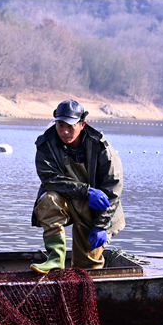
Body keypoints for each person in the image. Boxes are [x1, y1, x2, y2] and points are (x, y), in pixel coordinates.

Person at [30, 99, 124, 273]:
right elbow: (49, 179)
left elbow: (113, 189)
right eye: (60, 125)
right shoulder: (46, 145)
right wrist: (86, 191)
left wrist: (101, 225)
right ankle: (55, 258)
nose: (65, 131)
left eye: (70, 126)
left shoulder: (101, 147)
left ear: (82, 124)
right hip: (67, 201)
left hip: (97, 209)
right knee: (48, 200)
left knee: (87, 266)